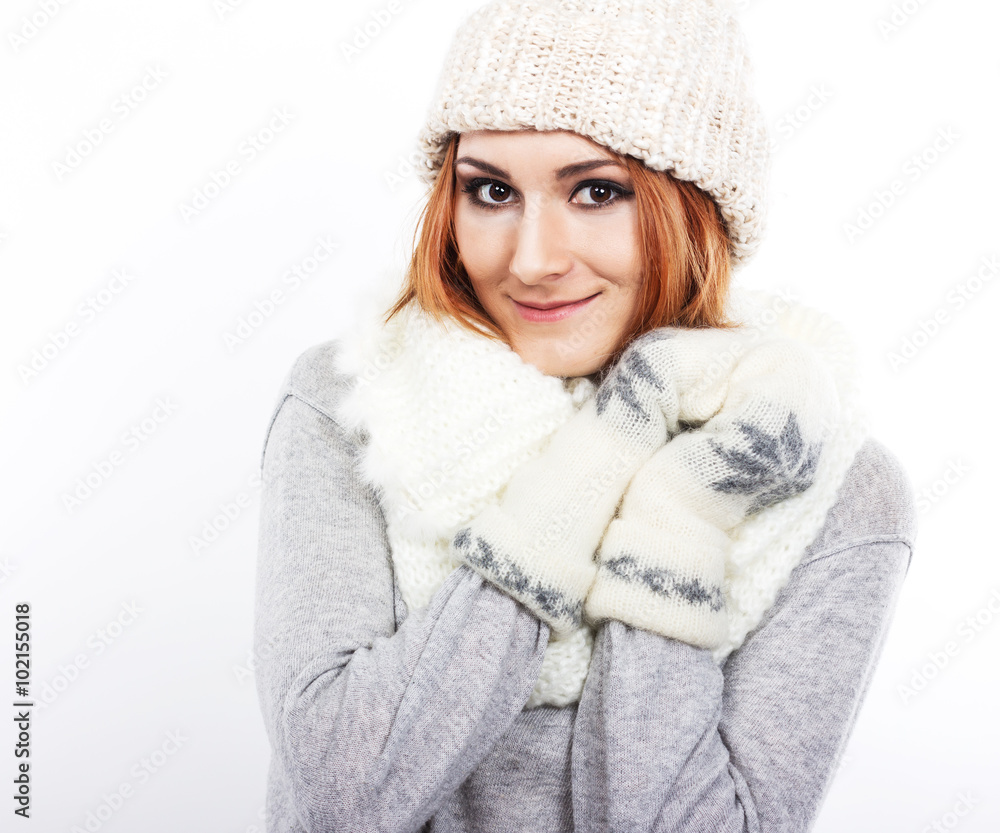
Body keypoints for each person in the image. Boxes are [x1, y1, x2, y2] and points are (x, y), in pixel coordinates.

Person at [253, 1, 917, 830]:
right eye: (491, 190)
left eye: (597, 191)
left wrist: (682, 510)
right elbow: (342, 794)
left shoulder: (831, 484)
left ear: (698, 206)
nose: (533, 259)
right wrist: (608, 444)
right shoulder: (356, 398)